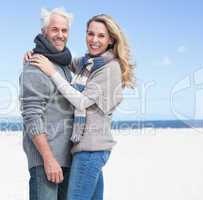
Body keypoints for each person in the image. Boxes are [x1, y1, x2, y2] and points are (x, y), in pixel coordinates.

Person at [27, 14, 135, 200]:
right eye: (90, 34)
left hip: (91, 150)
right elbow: (63, 58)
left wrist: (51, 72)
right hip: (88, 149)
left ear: (111, 40)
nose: (94, 40)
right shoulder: (88, 64)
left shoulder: (109, 68)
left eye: (101, 36)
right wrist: (36, 52)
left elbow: (82, 102)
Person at [19, 8, 75, 200]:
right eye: (54, 29)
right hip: (46, 163)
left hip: (66, 159)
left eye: (64, 30)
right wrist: (48, 159)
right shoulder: (36, 65)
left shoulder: (64, 65)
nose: (60, 35)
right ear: (44, 32)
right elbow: (32, 117)